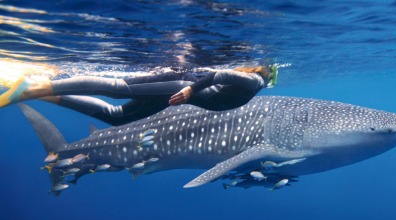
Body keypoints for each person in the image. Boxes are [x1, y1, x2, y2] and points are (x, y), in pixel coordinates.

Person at [0, 65, 278, 125]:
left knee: (118, 117)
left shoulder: (257, 82)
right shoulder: (253, 80)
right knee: (119, 88)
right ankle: (37, 87)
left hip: (181, 94)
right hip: (180, 86)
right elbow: (221, 76)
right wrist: (191, 89)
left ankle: (40, 94)